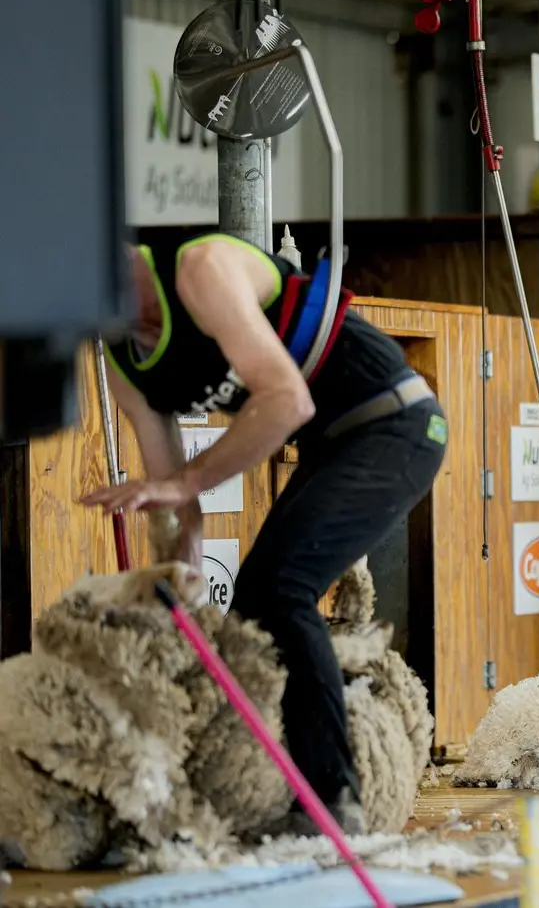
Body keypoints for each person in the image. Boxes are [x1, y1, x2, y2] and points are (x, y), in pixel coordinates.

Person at [79, 232, 448, 837]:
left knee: (281, 586)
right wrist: (182, 588)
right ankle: (307, 783)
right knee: (256, 602)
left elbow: (286, 402)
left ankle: (336, 799)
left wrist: (183, 484)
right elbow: (175, 500)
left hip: (396, 423)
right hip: (336, 441)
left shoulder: (201, 270)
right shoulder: (120, 357)